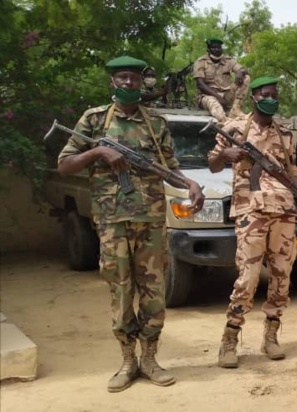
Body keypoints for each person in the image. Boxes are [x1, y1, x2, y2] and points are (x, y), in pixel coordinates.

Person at [57, 56, 204, 392]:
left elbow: (171, 169)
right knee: (121, 291)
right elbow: (65, 164)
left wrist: (191, 185)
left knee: (153, 293)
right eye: (121, 78)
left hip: (151, 220)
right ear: (112, 82)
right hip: (112, 221)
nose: (128, 83)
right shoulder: (94, 120)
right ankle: (127, 361)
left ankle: (150, 359)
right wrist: (98, 154)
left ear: (141, 83)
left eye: (134, 78)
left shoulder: (156, 123)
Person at [208, 76, 297, 368]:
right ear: (254, 97)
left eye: (275, 95)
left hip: (283, 210)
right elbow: (213, 164)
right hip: (250, 211)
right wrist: (227, 154)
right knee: (248, 277)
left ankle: (271, 335)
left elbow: (290, 173)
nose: (271, 98)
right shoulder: (234, 128)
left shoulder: (284, 133)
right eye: (266, 94)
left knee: (282, 275)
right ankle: (230, 337)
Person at [193, 37, 250, 122]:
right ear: (208, 49)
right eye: (214, 47)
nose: (217, 50)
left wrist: (240, 72)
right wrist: (218, 97)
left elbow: (244, 69)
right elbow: (200, 84)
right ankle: (227, 124)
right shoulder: (201, 62)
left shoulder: (228, 60)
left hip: (226, 94)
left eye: (219, 47)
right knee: (218, 111)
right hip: (208, 96)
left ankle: (236, 108)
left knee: (246, 77)